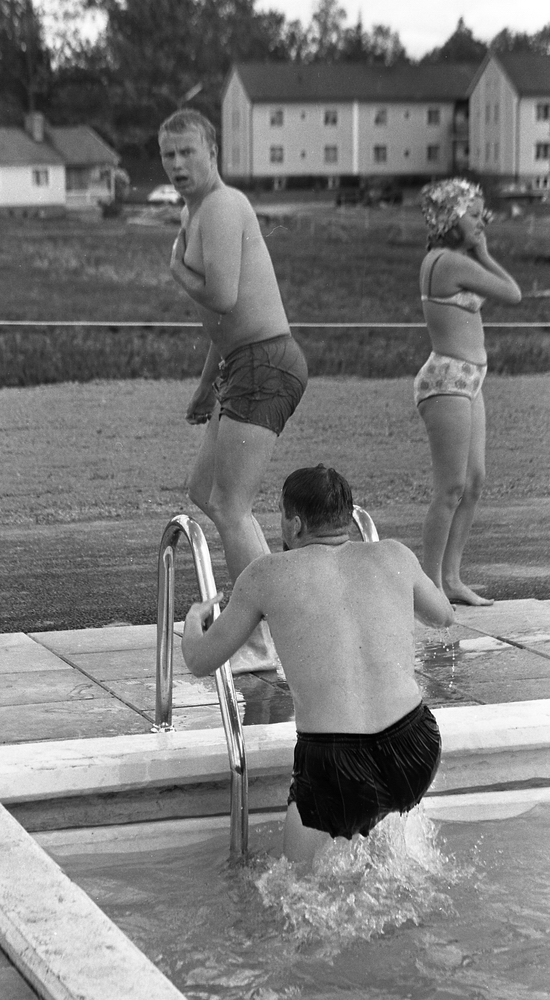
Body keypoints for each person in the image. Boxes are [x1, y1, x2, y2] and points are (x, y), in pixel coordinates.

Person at [182, 465, 454, 867]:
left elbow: (200, 660)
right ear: (347, 516)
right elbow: (444, 616)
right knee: (387, 861)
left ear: (294, 524)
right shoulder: (395, 555)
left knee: (293, 885)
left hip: (335, 764)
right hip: (415, 747)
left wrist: (193, 621)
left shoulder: (266, 574)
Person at [158, 109, 308, 672]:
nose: (177, 164)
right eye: (168, 154)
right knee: (205, 489)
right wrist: (206, 387)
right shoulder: (193, 211)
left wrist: (177, 270)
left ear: (212, 152)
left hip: (266, 361)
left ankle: (265, 638)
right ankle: (274, 614)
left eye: (187, 152)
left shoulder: (223, 206)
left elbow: (221, 295)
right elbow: (222, 324)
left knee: (230, 503)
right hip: (241, 362)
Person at [416, 178, 521, 606]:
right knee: (451, 487)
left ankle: (452, 578)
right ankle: (430, 587)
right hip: (447, 379)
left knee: (474, 482)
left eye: (483, 215)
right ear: (449, 217)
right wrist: (484, 252)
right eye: (474, 215)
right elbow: (513, 293)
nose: (482, 223)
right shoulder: (446, 262)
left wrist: (477, 247)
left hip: (468, 379)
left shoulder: (451, 259)